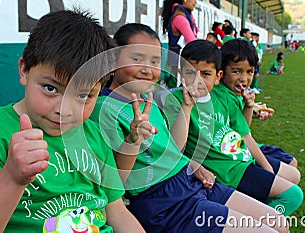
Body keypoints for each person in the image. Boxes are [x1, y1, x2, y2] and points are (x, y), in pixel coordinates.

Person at [0, 10, 145, 233]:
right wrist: (11, 179)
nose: (64, 110)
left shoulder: (93, 135)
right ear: (24, 70)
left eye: (83, 96)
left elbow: (116, 211)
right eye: (51, 89)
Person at [90, 24, 289, 233]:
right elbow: (114, 182)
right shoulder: (103, 108)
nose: (147, 69)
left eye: (155, 61)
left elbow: (174, 149)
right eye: (136, 59)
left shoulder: (148, 102)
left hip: (191, 181)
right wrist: (133, 140)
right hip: (165, 201)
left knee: (279, 223)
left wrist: (192, 159)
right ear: (112, 60)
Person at [164, 39, 303, 218]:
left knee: (293, 177)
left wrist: (249, 107)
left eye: (206, 74)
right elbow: (176, 148)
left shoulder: (223, 97)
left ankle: (256, 217)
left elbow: (244, 133)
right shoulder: (175, 100)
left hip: (240, 159)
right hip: (226, 170)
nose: (197, 80)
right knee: (292, 196)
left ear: (217, 77)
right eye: (191, 73)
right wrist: (187, 105)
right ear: (180, 73)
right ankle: (256, 221)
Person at [161, 0, 200, 88]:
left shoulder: (186, 15)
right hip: (176, 59)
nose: (195, 2)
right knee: (173, 87)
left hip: (176, 58)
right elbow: (192, 41)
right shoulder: (180, 17)